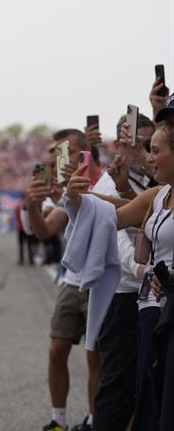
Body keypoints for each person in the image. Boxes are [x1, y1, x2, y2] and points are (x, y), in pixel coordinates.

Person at [67, 106, 174, 430]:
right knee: (150, 396)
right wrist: (78, 198)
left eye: (155, 151)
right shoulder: (158, 195)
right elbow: (112, 217)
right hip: (152, 311)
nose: (149, 159)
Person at [24, 128, 102, 431]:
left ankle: (95, 420)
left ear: (84, 151)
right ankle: (58, 420)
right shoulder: (66, 188)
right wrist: (32, 205)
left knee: (96, 357)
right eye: (57, 154)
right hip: (72, 280)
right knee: (57, 350)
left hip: (102, 281)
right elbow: (44, 231)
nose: (60, 159)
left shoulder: (106, 180)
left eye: (65, 152)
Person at [90, 113, 155, 431]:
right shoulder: (108, 182)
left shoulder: (152, 180)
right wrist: (142, 269)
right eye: (136, 144)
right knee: (118, 384)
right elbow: (114, 236)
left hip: (148, 293)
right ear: (119, 145)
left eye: (148, 144)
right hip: (122, 292)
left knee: (144, 384)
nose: (143, 151)